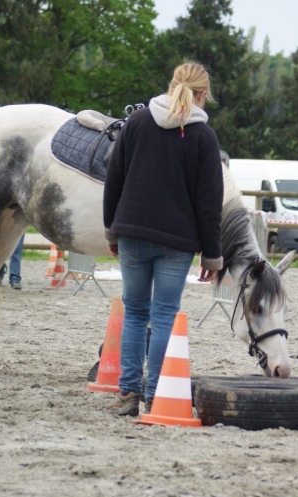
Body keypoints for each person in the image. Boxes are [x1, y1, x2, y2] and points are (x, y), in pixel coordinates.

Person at [103, 62, 224, 417]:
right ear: (203, 95)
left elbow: (114, 180)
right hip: (177, 240)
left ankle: (128, 394)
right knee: (164, 316)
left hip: (133, 232)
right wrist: (212, 255)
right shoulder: (204, 137)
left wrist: (112, 228)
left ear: (171, 85)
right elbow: (208, 201)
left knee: (135, 312)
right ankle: (156, 395)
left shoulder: (137, 122)